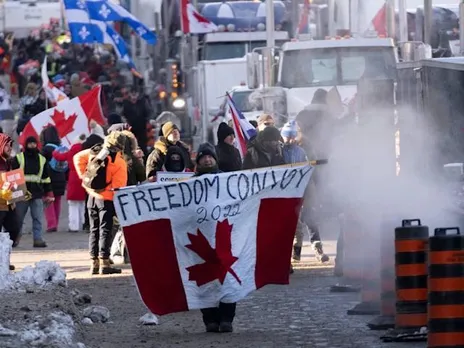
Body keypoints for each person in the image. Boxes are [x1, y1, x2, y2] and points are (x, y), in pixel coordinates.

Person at [194, 143, 235, 333]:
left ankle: (227, 318)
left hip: (224, 237)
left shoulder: (227, 180)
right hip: (200, 238)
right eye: (203, 158)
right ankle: (210, 319)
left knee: (228, 279)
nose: (207, 160)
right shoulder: (190, 184)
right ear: (199, 161)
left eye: (210, 157)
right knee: (205, 281)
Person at [74, 131, 128, 275]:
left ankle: (94, 263)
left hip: (92, 196)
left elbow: (77, 157)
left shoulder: (94, 151)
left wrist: (84, 177)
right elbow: (119, 185)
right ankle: (104, 262)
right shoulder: (118, 160)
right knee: (105, 230)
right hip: (107, 198)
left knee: (94, 230)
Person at [281, 121, 329, 263]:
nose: (290, 139)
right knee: (292, 220)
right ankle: (294, 252)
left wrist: (317, 187)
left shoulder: (304, 149)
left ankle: (317, 248)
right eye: (287, 136)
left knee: (310, 217)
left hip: (306, 187)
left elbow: (313, 170)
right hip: (288, 189)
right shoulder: (280, 149)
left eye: (293, 136)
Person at [12, 136, 53, 248]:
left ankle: (38, 239)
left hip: (37, 194)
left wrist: (49, 194)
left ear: (37, 144)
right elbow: (12, 177)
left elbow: (46, 178)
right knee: (18, 219)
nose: (32, 146)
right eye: (30, 144)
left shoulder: (42, 159)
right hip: (21, 193)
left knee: (38, 218)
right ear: (26, 145)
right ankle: (14, 239)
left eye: (34, 143)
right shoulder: (18, 158)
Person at [51, 134, 87, 232]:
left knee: (73, 204)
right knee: (83, 203)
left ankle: (73, 226)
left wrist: (54, 152)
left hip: (73, 177)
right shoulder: (85, 150)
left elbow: (59, 157)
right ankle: (85, 223)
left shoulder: (71, 151)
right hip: (85, 177)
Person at [40, 126, 67, 233]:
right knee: (57, 201)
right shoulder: (60, 148)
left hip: (49, 179)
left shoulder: (45, 149)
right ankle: (56, 222)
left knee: (48, 201)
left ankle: (51, 224)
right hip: (61, 177)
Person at [0, 134, 21, 269]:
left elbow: (12, 180)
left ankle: (4, 260)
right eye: (6, 144)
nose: (9, 148)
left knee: (14, 230)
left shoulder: (10, 162)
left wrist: (19, 192)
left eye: (10, 145)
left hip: (8, 204)